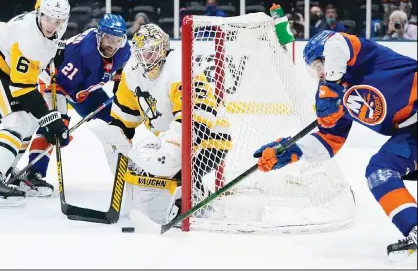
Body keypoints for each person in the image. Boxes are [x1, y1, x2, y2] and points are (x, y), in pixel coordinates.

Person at [253, 30, 417, 260]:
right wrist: (293, 150)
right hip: (412, 135)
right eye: (314, 70)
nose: (320, 73)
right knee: (379, 170)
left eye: (320, 63)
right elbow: (330, 140)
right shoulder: (332, 95)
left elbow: (338, 43)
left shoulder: (369, 56)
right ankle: (414, 228)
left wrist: (330, 82)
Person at [89, 23, 231, 226]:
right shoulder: (133, 71)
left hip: (210, 139)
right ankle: (189, 193)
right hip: (173, 136)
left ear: (163, 48)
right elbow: (124, 117)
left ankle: (196, 196)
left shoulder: (180, 65)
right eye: (142, 53)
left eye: (152, 52)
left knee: (167, 166)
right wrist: (116, 137)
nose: (147, 59)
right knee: (147, 164)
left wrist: (172, 145)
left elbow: (198, 116)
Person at [11, 13, 131, 197]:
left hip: (85, 89)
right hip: (55, 83)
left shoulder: (124, 50)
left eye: (117, 40)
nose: (112, 45)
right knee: (56, 129)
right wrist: (59, 121)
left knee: (116, 122)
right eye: (108, 38)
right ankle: (34, 174)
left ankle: (127, 170)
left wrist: (120, 81)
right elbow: (60, 86)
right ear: (100, 35)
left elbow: (124, 69)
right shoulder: (80, 53)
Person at [0, 0, 71, 207]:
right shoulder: (30, 39)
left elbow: (50, 32)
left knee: (30, 122)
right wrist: (51, 119)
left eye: (58, 21)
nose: (52, 25)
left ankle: (8, 172)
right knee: (18, 120)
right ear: (39, 13)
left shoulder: (52, 19)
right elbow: (22, 89)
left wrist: (54, 51)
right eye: (48, 19)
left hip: (5, 63)